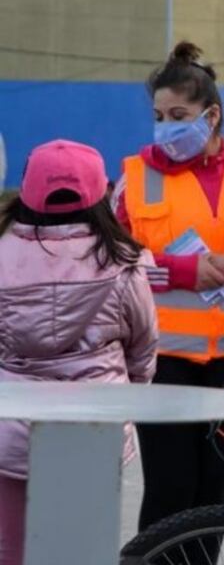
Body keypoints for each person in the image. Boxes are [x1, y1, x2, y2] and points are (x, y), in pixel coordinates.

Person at [113, 41, 224, 531]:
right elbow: (116, 262)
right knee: (169, 487)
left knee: (212, 490)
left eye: (178, 114)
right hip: (161, 356)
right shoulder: (133, 177)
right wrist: (185, 272)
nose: (166, 126)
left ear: (211, 116)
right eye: (159, 115)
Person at [0, 139, 158, 565]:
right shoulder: (124, 262)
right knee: (83, 551)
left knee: (11, 549)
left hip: (10, 433)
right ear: (100, 195)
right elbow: (143, 351)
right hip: (95, 428)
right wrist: (126, 392)